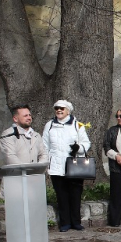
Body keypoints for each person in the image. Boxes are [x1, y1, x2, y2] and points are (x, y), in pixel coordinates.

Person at [42, 99, 91, 232]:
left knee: (75, 194)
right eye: (57, 108)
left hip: (74, 165)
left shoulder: (77, 125)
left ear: (68, 111)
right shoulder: (49, 125)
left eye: (62, 108)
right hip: (57, 166)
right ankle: (65, 223)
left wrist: (79, 148)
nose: (59, 110)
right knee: (61, 195)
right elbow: (44, 145)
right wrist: (46, 163)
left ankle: (76, 222)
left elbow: (86, 143)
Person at [0, 105, 48, 199]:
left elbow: (43, 154)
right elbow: (10, 157)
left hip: (34, 181)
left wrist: (38, 169)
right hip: (15, 182)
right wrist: (28, 172)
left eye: (29, 115)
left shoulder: (36, 135)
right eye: (25, 116)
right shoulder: (8, 135)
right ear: (15, 119)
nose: (29, 117)